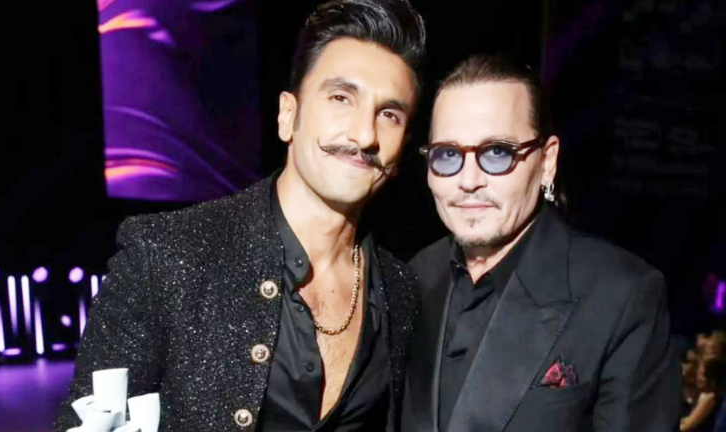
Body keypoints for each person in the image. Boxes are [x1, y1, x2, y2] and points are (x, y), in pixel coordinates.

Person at [55, 1, 426, 431]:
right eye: (341, 98)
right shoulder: (166, 256)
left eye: (389, 114)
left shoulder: (401, 290)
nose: (364, 135)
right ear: (288, 115)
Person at [403, 54, 681, 432]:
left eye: (497, 153)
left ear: (546, 162)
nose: (468, 180)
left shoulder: (621, 295)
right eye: (448, 155)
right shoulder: (413, 278)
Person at [681, 356, 726, 431]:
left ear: (712, 379)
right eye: (698, 373)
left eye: (703, 375)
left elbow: (685, 426)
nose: (699, 378)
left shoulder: (709, 397)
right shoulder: (698, 394)